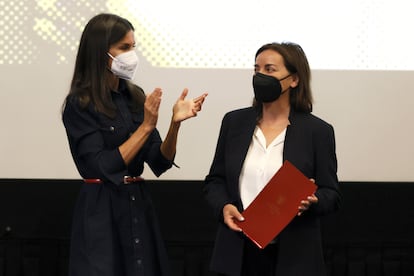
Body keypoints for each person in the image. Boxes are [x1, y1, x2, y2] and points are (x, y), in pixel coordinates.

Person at [62, 13, 207, 276]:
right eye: (124, 48)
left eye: (133, 47)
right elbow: (102, 167)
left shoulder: (134, 96)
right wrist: (146, 127)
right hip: (101, 209)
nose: (132, 55)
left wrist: (175, 124)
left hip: (137, 203)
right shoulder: (80, 103)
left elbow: (159, 160)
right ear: (100, 52)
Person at [203, 42, 341, 276]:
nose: (260, 77)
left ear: (294, 79)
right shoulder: (234, 123)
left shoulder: (317, 131)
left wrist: (314, 200)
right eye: (256, 70)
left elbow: (331, 193)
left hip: (293, 258)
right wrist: (224, 207)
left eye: (269, 70)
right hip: (238, 253)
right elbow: (214, 181)